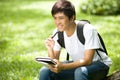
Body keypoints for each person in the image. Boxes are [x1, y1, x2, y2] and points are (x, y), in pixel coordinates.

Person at [39, 0, 112, 80]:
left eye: (61, 18)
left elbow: (88, 61)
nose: (57, 22)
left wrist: (63, 66)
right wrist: (50, 49)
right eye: (55, 18)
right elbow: (54, 61)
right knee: (45, 71)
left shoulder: (87, 29)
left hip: (100, 65)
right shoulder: (58, 32)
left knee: (80, 72)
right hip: (79, 65)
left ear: (72, 18)